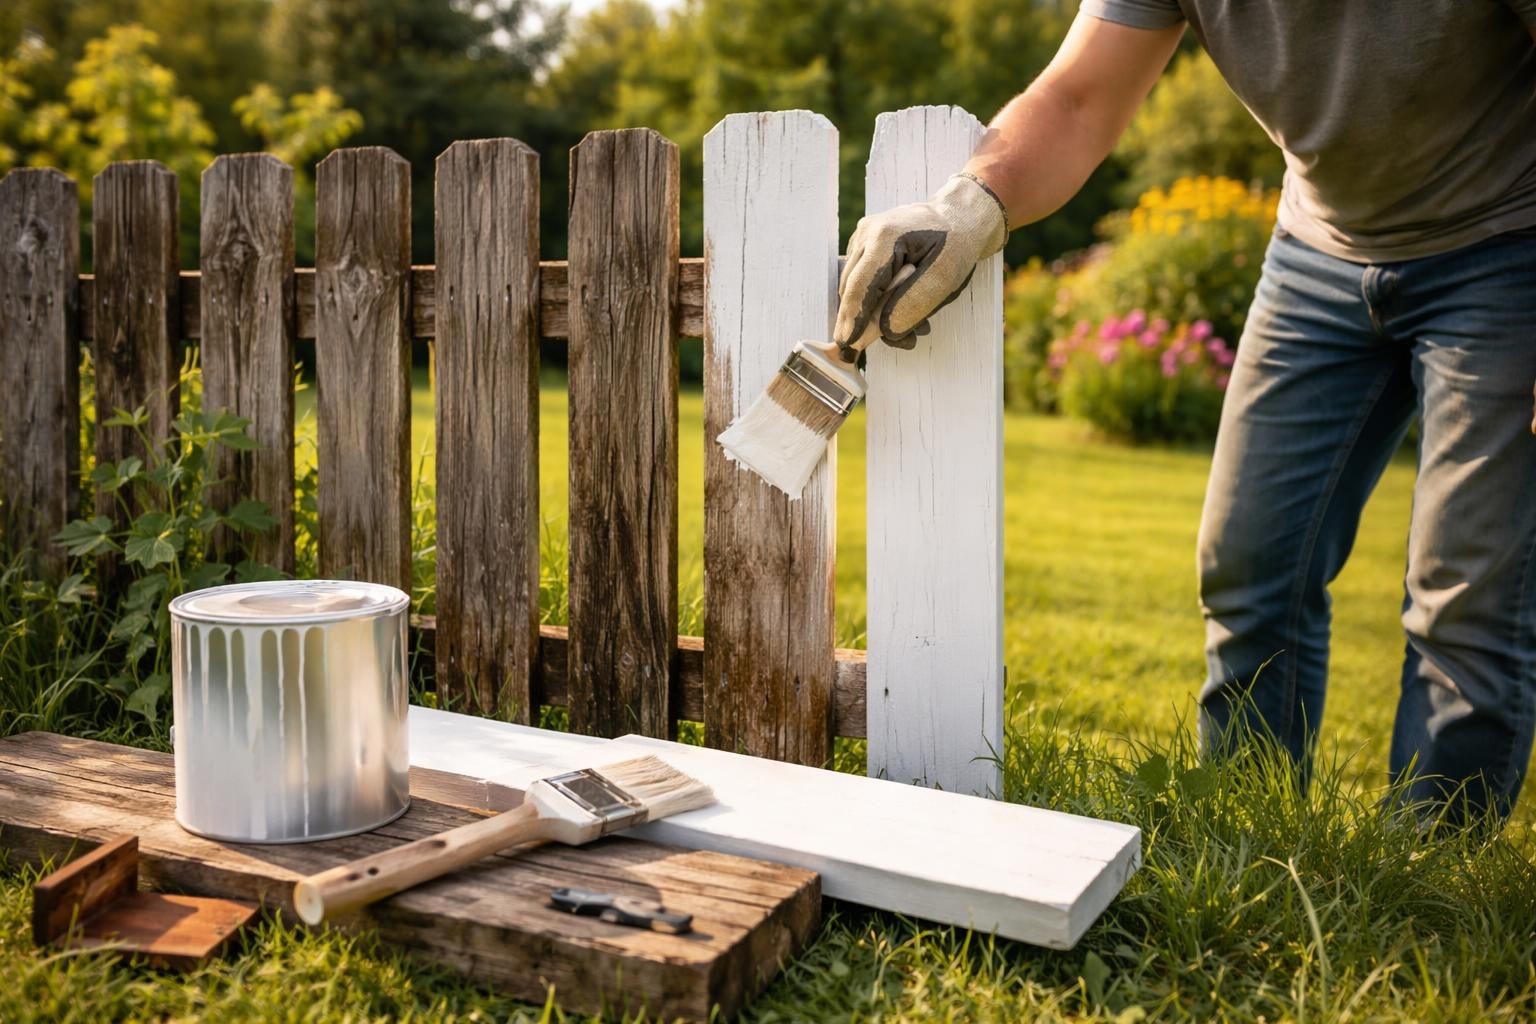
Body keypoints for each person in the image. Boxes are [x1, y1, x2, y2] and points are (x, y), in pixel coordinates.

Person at [833, 3, 1536, 823]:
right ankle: (1248, 833)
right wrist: (970, 206)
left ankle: (1429, 867)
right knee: (1250, 566)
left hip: (1508, 246)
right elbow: (1079, 98)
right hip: (1322, 247)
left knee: (1467, 598)